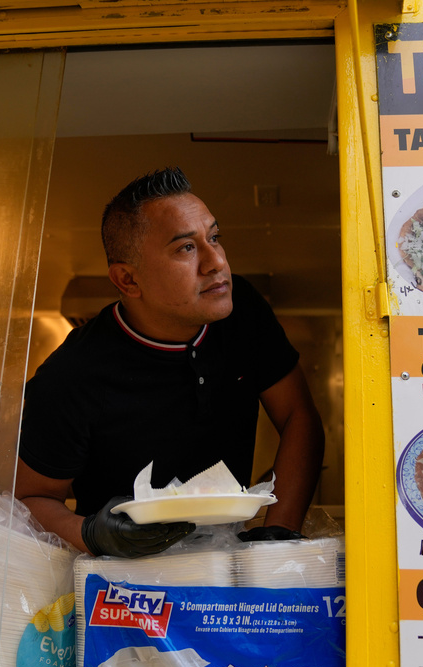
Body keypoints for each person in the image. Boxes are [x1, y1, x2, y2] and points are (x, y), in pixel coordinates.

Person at [16, 167, 324, 558]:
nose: (217, 263)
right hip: (125, 579)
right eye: (186, 248)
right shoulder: (71, 376)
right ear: (128, 280)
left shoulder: (241, 311)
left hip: (227, 565)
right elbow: (29, 498)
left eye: (214, 238)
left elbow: (299, 414)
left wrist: (278, 534)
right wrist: (92, 533)